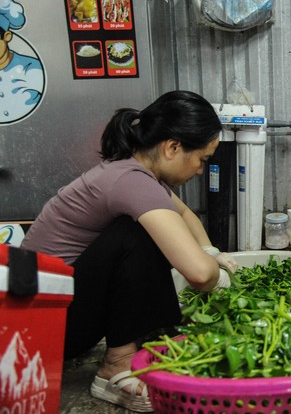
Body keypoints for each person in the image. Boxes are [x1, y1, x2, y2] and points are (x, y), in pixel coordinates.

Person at [21, 90, 237, 412]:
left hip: (57, 317)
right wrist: (221, 278)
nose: (200, 171)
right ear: (172, 147)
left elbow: (184, 215)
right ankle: (115, 367)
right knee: (135, 233)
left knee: (160, 229)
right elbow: (199, 274)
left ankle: (137, 346)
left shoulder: (133, 170)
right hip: (43, 329)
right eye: (202, 159)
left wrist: (210, 250)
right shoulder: (131, 183)